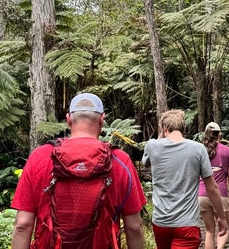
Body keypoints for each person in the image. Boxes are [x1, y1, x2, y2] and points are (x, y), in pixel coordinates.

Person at [11, 93, 146, 249]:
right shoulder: (120, 161)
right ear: (102, 119)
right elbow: (134, 227)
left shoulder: (40, 157)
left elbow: (23, 225)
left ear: (69, 119)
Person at [142, 110, 227, 249]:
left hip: (161, 223)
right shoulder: (198, 149)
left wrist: (161, 136)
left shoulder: (152, 146)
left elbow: (145, 162)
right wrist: (221, 218)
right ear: (183, 127)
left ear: (164, 128)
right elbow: (212, 188)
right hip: (187, 224)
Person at [198, 122, 229, 249]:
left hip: (201, 195)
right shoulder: (228, 152)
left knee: (209, 231)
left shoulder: (199, 151)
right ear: (220, 134)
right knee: (223, 229)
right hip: (220, 194)